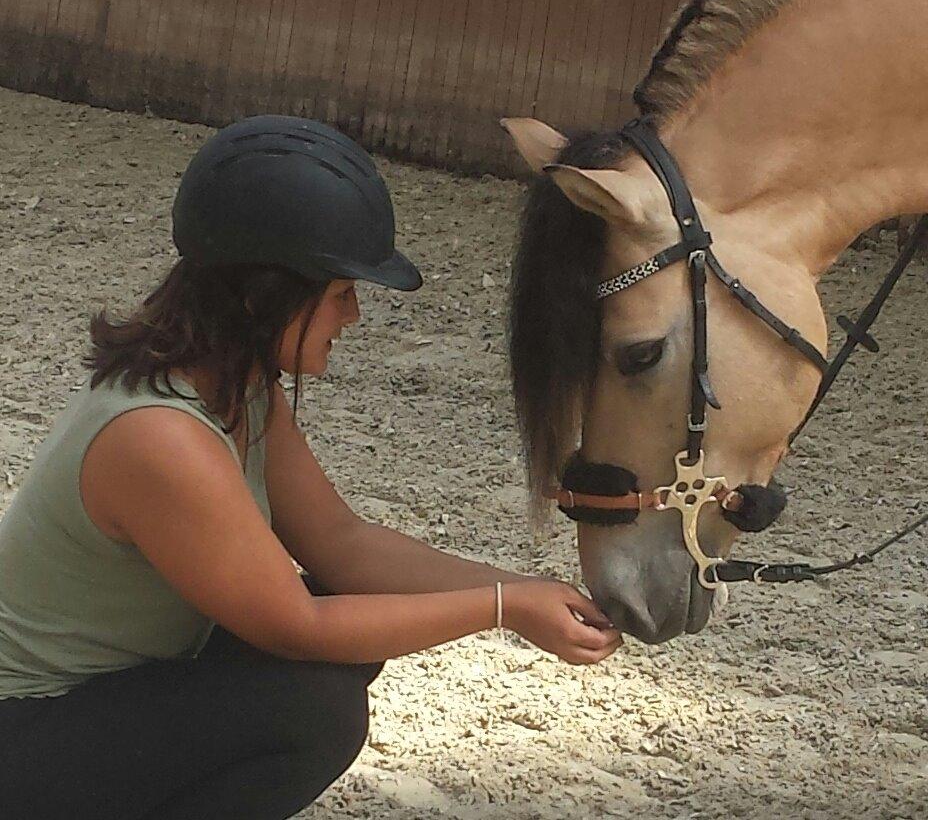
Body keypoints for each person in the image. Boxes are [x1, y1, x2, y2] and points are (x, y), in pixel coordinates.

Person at [0, 115, 619, 820]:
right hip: (22, 733)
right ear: (262, 296)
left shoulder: (229, 382)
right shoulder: (161, 438)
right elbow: (296, 625)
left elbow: (341, 544)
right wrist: (503, 610)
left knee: (349, 641)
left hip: (97, 700)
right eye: (338, 294)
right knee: (313, 709)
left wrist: (530, 589)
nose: (352, 317)